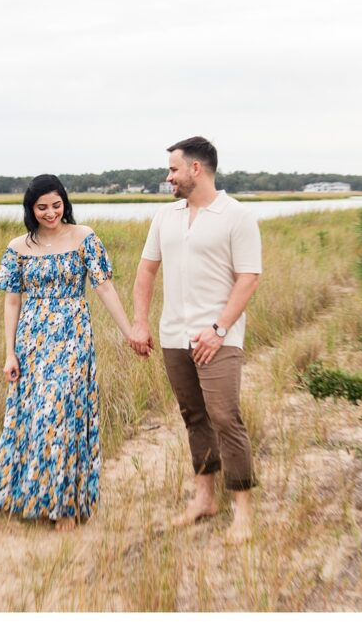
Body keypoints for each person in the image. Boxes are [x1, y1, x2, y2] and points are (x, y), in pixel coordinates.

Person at [128, 136, 261, 545]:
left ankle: (243, 512)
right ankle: (204, 499)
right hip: (173, 335)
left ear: (195, 169)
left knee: (225, 416)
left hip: (218, 338)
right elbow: (146, 272)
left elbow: (249, 277)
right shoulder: (165, 218)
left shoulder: (236, 215)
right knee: (194, 417)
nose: (168, 176)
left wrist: (219, 329)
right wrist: (140, 322)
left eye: (173, 169)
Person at [0, 174, 135, 532]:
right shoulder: (18, 247)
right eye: (42, 207)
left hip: (72, 336)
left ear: (64, 203)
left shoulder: (84, 237)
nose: (51, 213)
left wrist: (129, 331)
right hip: (32, 341)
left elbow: (103, 287)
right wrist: (10, 353)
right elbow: (12, 301)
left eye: (56, 205)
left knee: (63, 415)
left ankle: (66, 505)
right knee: (36, 418)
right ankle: (36, 499)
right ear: (31, 208)